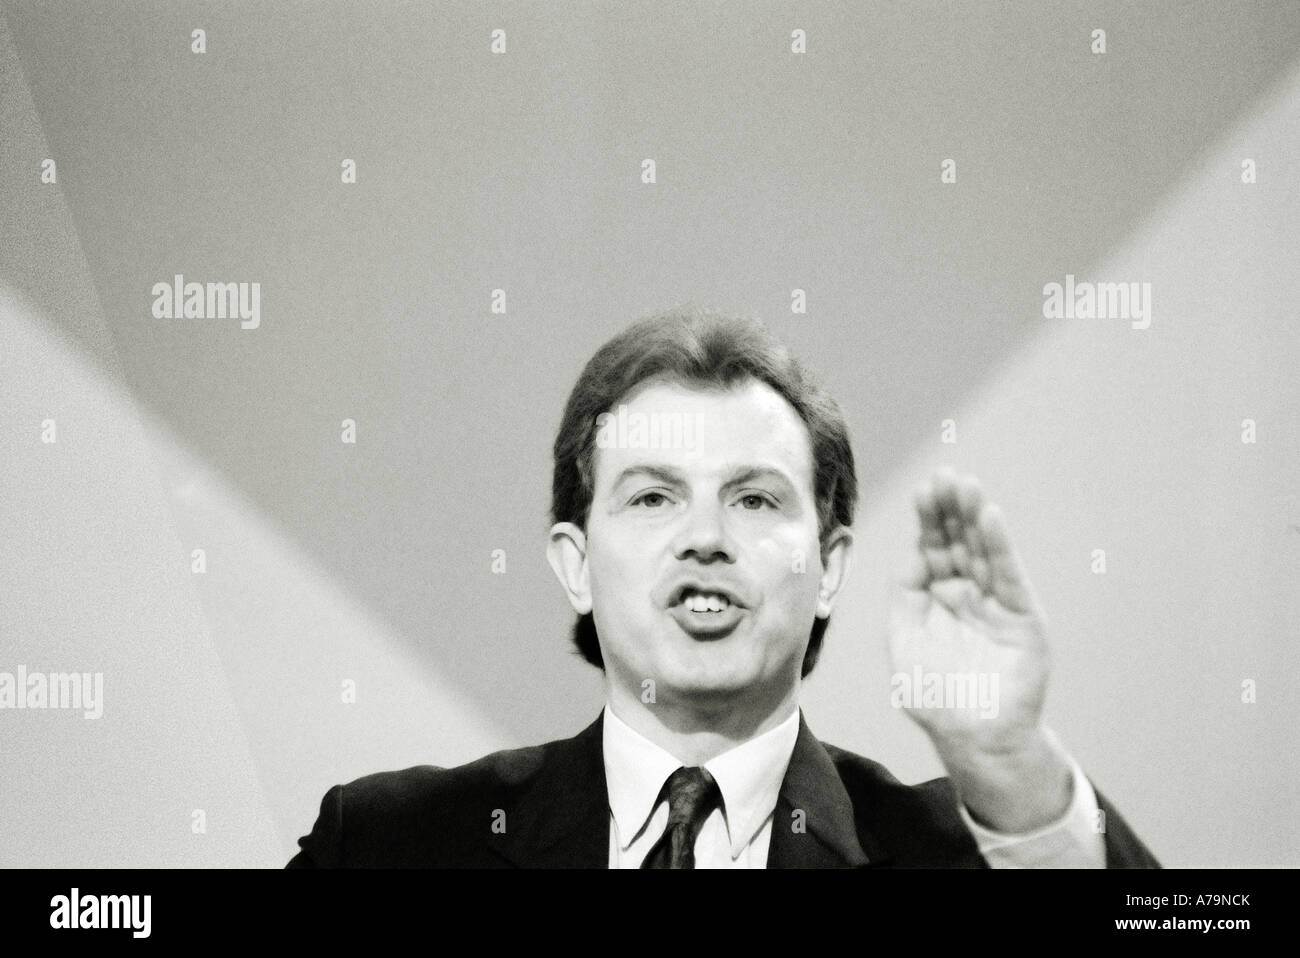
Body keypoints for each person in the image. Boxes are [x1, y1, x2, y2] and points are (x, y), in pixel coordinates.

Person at [287, 308, 1159, 868]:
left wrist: (1015, 772)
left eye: (753, 498)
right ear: (575, 563)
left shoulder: (969, 852)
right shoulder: (388, 846)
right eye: (654, 497)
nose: (704, 538)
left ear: (831, 568)